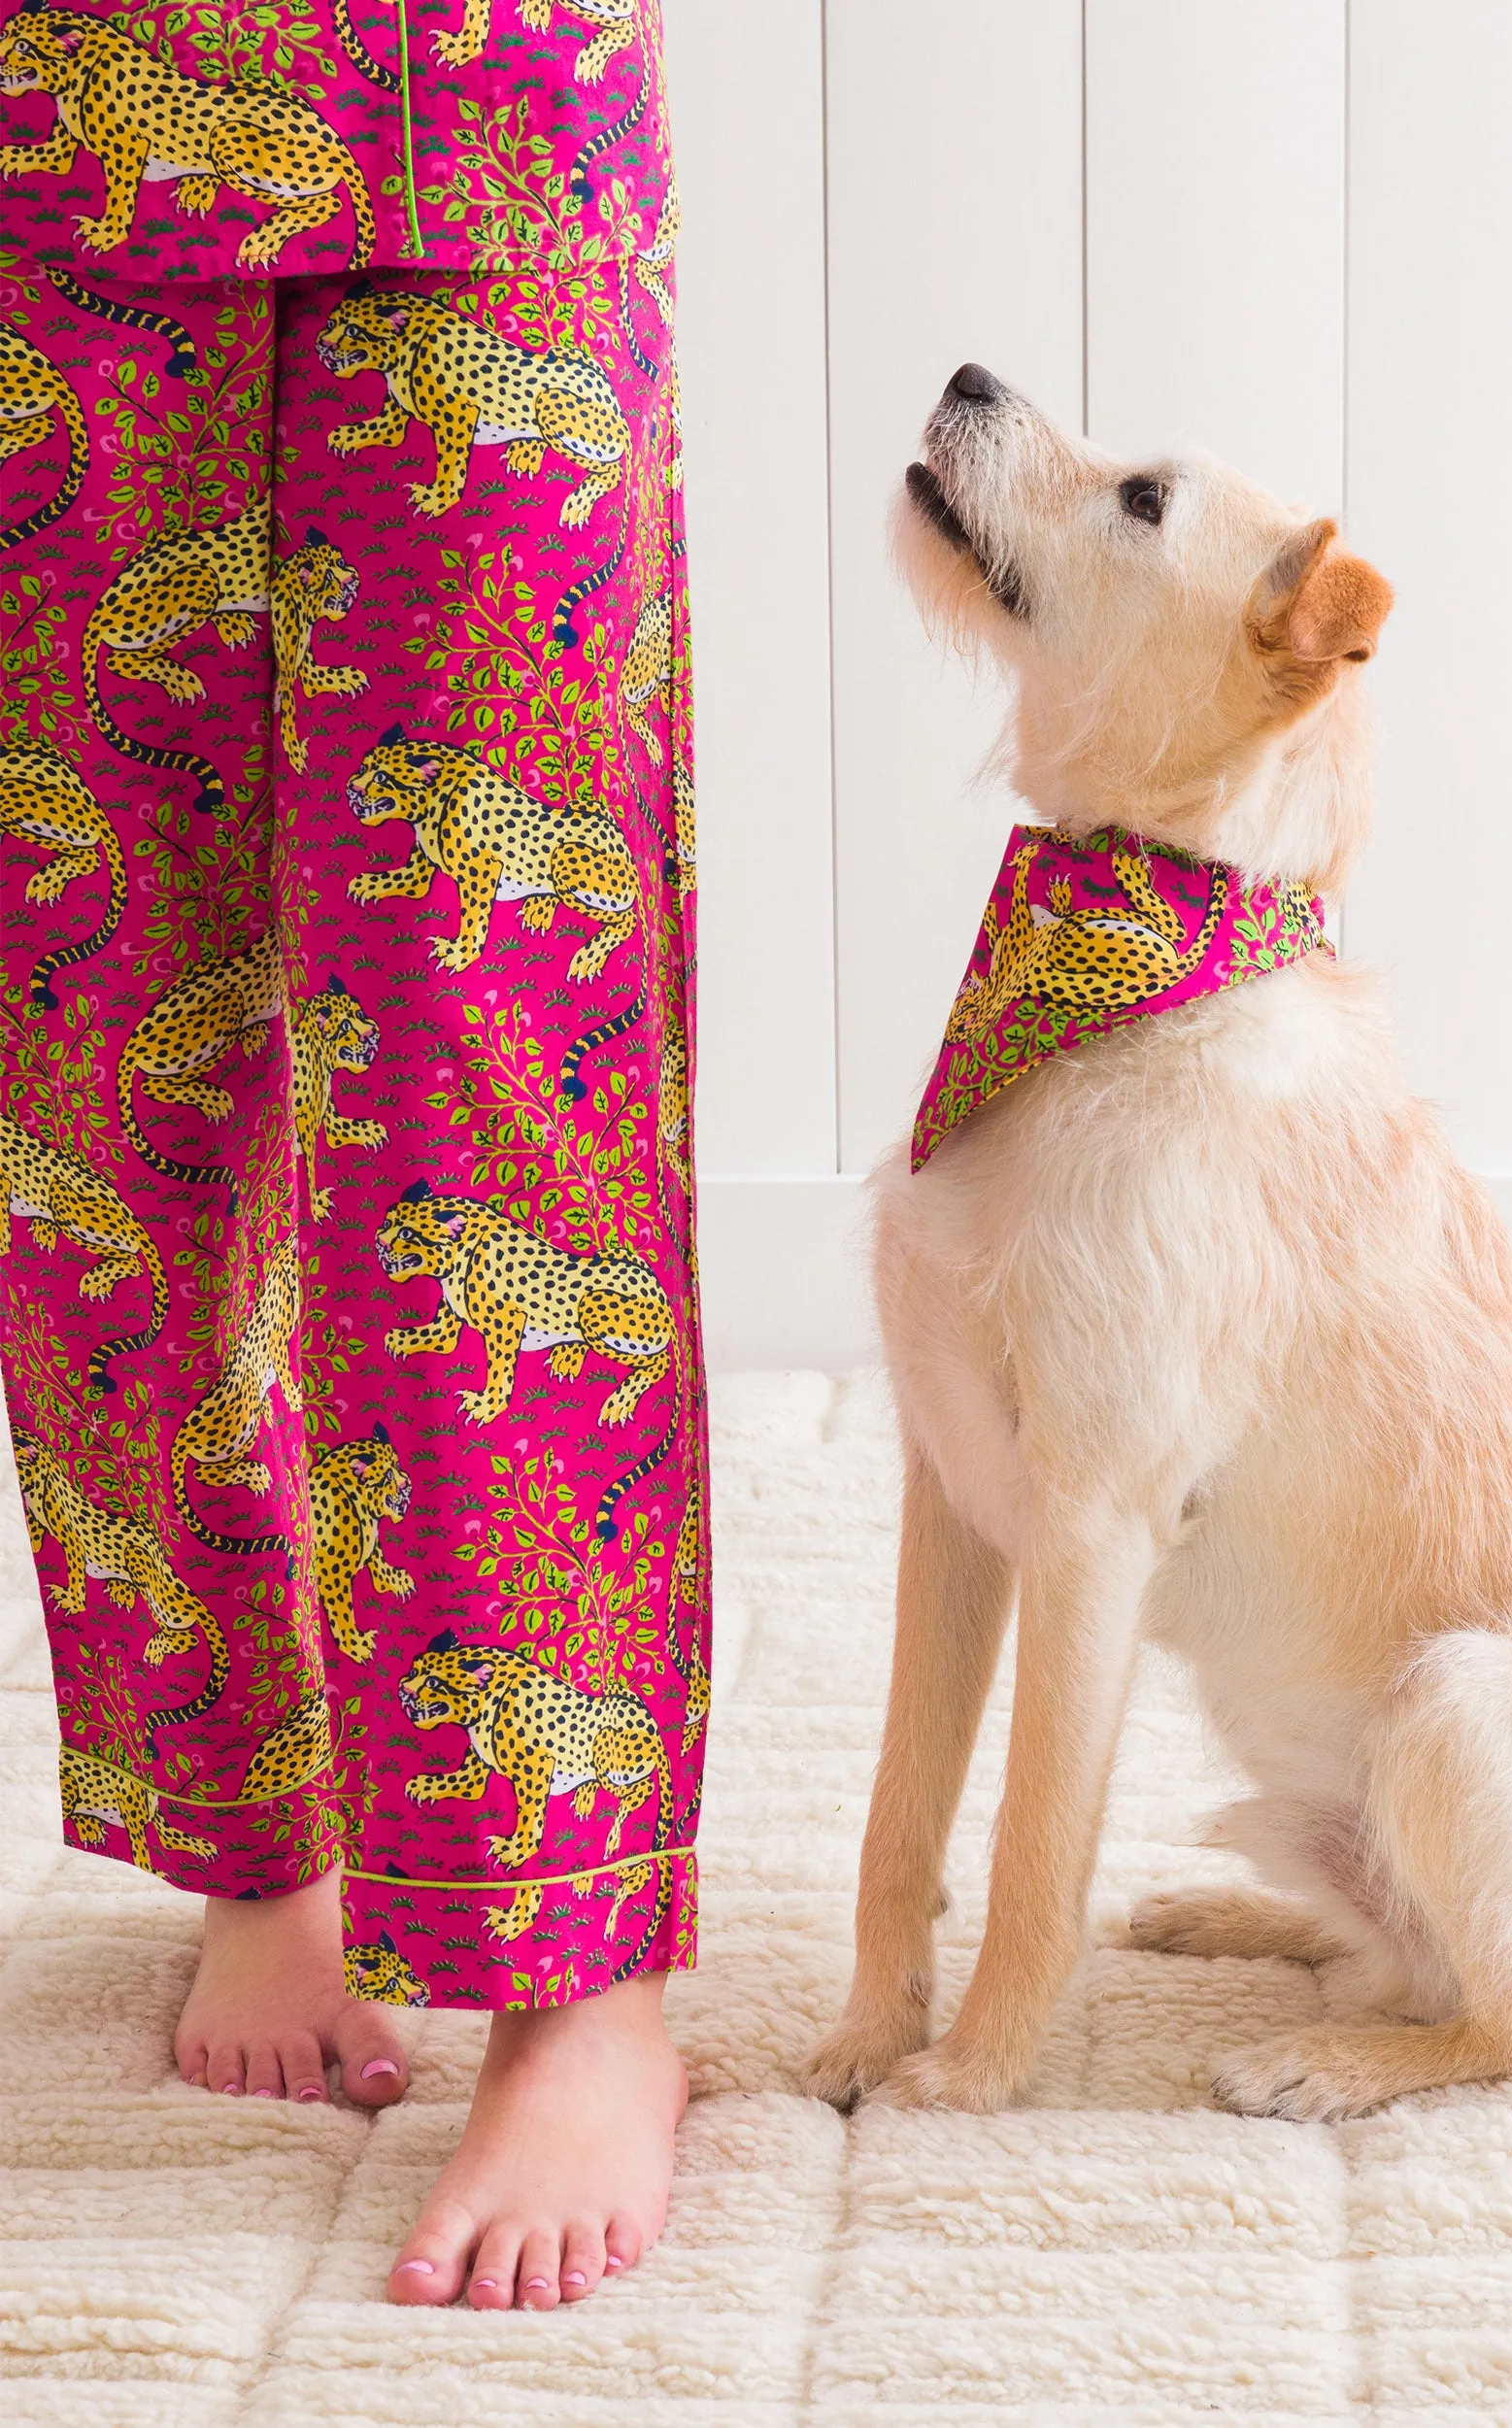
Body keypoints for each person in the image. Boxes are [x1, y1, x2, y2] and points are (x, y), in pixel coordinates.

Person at [0, 0, 704, 2311]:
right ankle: (243, 1819)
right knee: (106, 1051)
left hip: (471, 110)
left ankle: (574, 1966)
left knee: (493, 1056)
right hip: (60, 138)